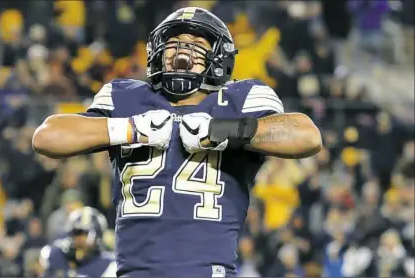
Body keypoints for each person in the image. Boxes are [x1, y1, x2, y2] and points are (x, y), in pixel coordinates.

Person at [33, 7, 322, 277]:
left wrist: (224, 131)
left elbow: (305, 136)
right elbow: (48, 137)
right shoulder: (127, 97)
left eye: (198, 40)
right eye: (174, 41)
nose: (184, 47)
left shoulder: (239, 98)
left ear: (219, 56)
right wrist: (129, 129)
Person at [39, 206, 116, 277]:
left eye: (85, 233)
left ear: (98, 236)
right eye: (76, 232)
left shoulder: (109, 264)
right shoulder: (56, 254)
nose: (80, 238)